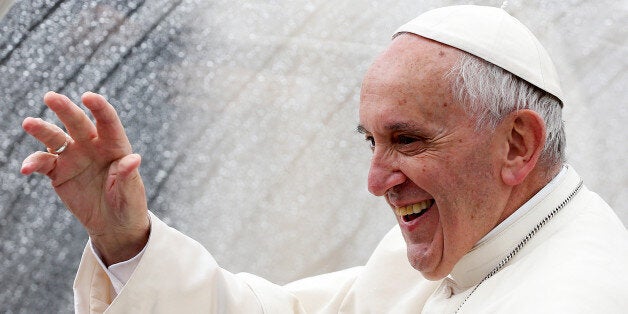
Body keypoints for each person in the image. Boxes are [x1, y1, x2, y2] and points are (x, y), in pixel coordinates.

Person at [20, 5, 628, 313]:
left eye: (408, 140)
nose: (375, 182)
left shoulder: (578, 295)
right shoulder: (467, 237)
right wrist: (128, 240)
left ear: (517, 144)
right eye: (371, 141)